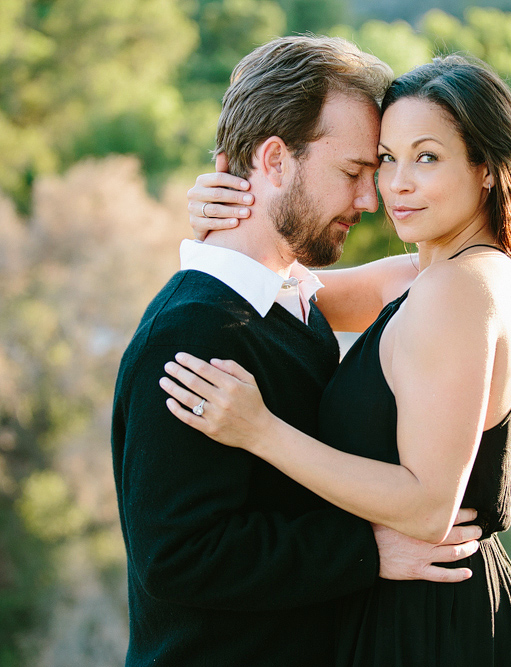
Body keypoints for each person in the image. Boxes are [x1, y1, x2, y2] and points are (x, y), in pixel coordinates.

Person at [111, 37, 484, 667]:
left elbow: (429, 278)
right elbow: (178, 556)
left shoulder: (289, 302)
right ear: (276, 160)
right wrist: (366, 552)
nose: (372, 200)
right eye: (353, 173)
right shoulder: (191, 336)